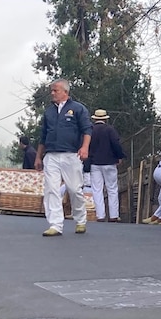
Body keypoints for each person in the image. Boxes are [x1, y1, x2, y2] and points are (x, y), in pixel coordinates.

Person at [35, 78, 92, 236]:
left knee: (74, 189)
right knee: (51, 189)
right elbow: (43, 136)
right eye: (52, 91)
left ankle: (80, 219)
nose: (52, 93)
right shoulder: (49, 111)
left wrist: (85, 147)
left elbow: (87, 129)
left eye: (56, 90)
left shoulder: (78, 109)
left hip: (71, 155)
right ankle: (55, 224)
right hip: (51, 155)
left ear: (65, 92)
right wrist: (38, 157)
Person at [89, 109, 126, 222]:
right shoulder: (110, 130)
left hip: (95, 163)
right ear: (105, 119)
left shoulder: (90, 130)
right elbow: (116, 144)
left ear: (95, 119)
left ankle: (100, 215)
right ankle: (113, 215)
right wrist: (119, 156)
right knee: (112, 188)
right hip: (110, 162)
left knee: (97, 189)